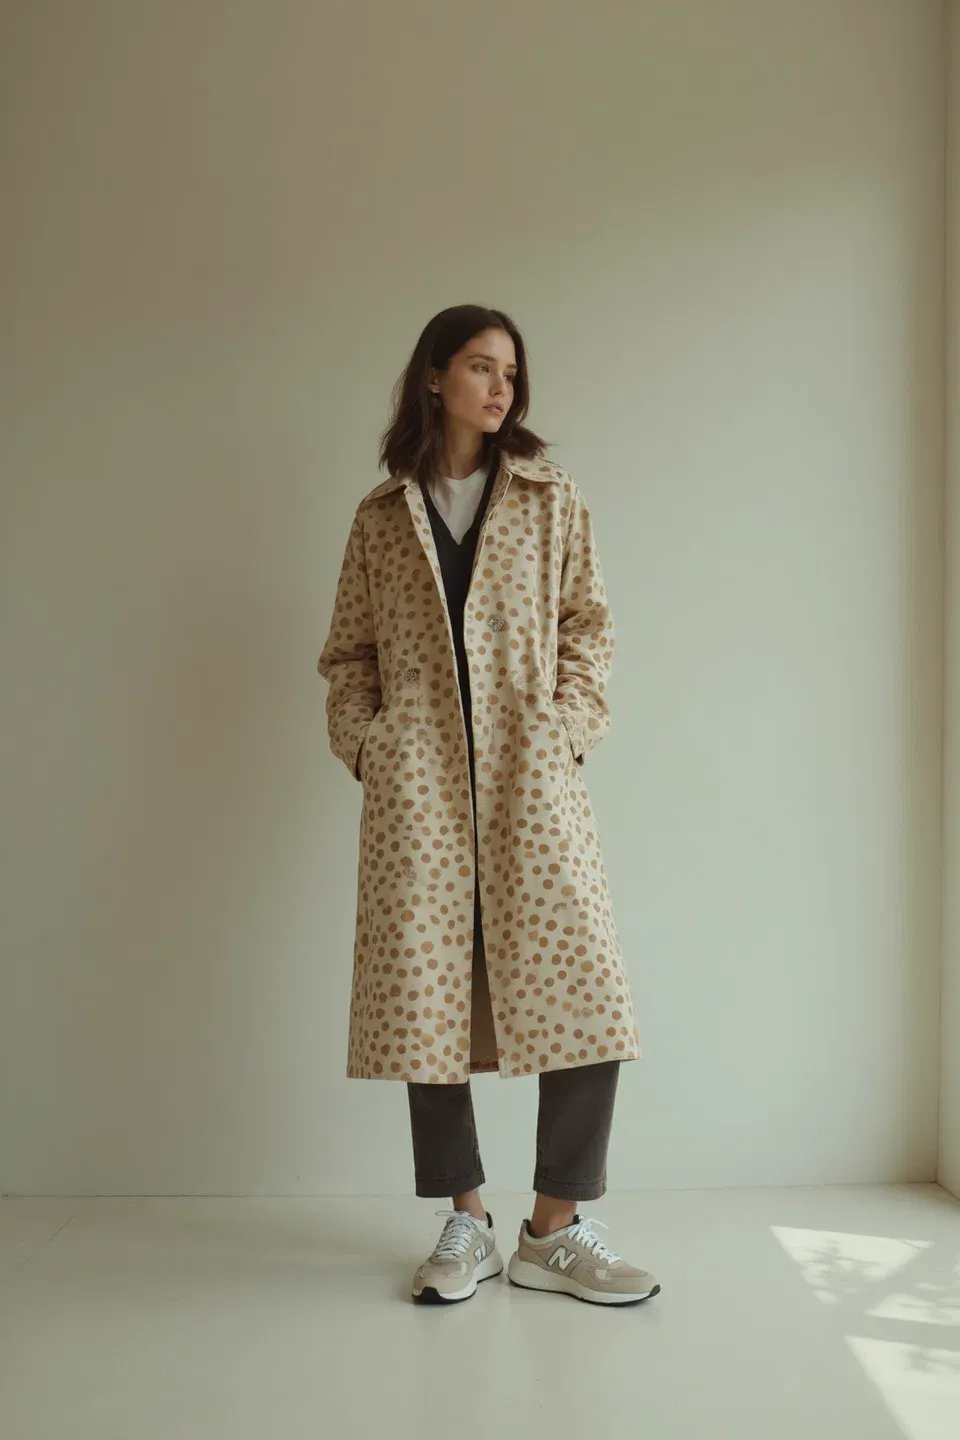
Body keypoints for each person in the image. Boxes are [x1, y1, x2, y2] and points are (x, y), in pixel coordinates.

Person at [318, 305, 659, 1307]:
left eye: (511, 370)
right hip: (418, 787)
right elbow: (349, 654)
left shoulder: (553, 501)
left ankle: (554, 1227)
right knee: (428, 1003)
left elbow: (589, 628)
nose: (502, 386)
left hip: (531, 777)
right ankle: (463, 1221)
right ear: (434, 379)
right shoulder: (381, 520)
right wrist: (370, 745)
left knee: (587, 993)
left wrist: (568, 729)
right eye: (480, 366)